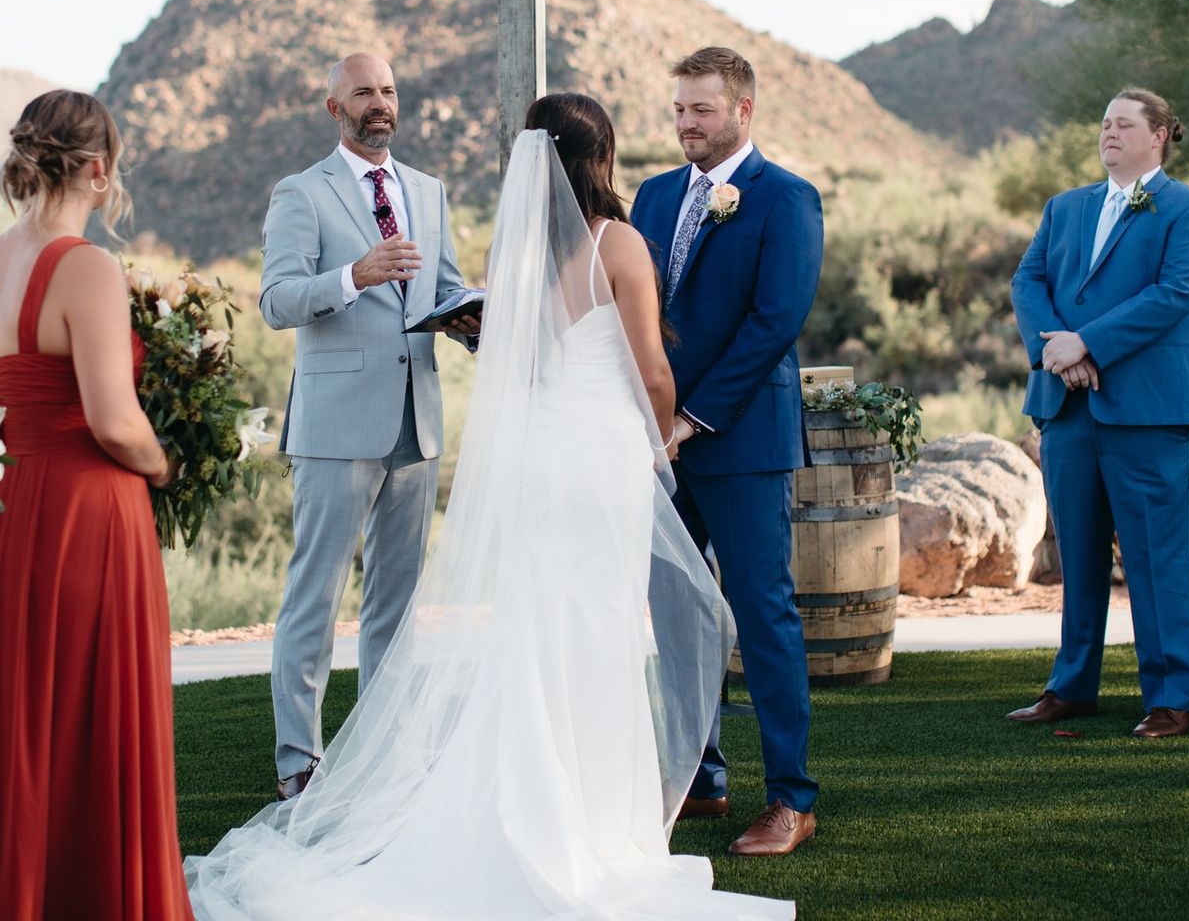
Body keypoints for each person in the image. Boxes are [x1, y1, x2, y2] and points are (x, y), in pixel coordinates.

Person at [186, 95, 788, 919]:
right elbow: (651, 372)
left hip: (542, 459)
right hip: (603, 456)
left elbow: (521, 364)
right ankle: (593, 827)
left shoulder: (519, 252)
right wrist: (661, 439)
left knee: (534, 633)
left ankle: (518, 814)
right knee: (600, 632)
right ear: (602, 156)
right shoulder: (620, 244)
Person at [0, 90, 186, 919]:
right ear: (99, 170)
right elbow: (114, 422)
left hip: (6, 510)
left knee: (21, 708)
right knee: (87, 712)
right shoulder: (87, 267)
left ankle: (16, 891)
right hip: (86, 512)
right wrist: (168, 464)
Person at [255, 52, 477, 802]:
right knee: (314, 594)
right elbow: (278, 300)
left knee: (398, 599)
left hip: (417, 422)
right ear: (334, 109)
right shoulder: (300, 193)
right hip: (334, 425)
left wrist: (470, 319)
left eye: (387, 90)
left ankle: (383, 750)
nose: (379, 103)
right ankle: (298, 760)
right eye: (363, 93)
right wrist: (357, 274)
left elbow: (440, 288)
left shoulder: (427, 190)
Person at [630, 46, 824, 857]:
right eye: (678, 109)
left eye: (700, 110)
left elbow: (774, 323)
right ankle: (697, 775)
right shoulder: (652, 195)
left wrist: (693, 419)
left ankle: (791, 798)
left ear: (743, 111)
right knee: (674, 615)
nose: (685, 124)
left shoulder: (787, 200)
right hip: (652, 448)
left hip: (740, 444)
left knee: (763, 615)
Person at [1005, 88, 1189, 738]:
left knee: (1155, 557)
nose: (1109, 132)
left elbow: (1177, 293)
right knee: (1078, 553)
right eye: (1104, 123)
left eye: (1124, 124)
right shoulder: (1064, 207)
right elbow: (1028, 283)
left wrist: (1088, 342)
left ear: (1159, 135)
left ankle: (1169, 697)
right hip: (1067, 406)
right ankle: (1073, 686)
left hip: (1146, 410)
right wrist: (1058, 353)